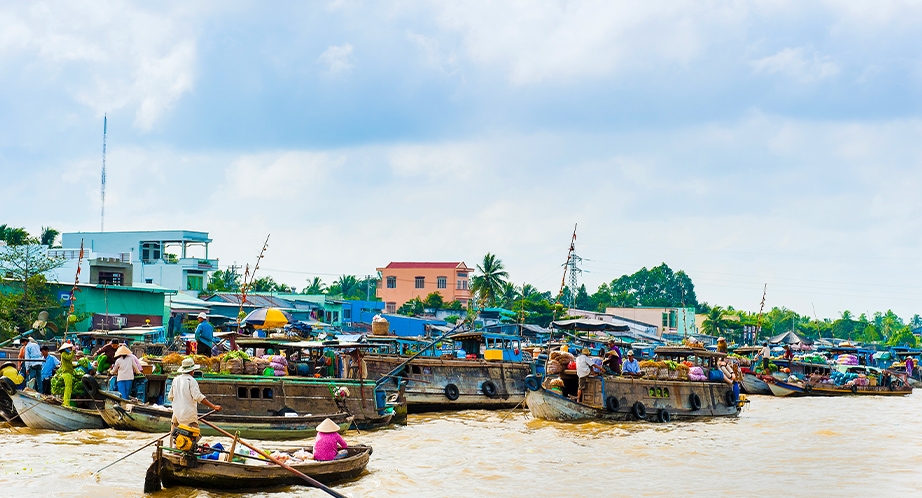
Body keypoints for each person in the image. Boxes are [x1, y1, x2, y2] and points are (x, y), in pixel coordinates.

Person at [168, 357, 221, 446]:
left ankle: (174, 452)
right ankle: (185, 455)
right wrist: (213, 406)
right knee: (194, 436)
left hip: (176, 415)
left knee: (175, 437)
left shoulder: (175, 379)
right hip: (188, 416)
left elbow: (170, 396)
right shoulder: (191, 381)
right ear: (192, 371)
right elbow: (198, 397)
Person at [57, 342, 77, 406]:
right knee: (68, 388)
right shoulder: (63, 354)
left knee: (69, 388)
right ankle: (66, 403)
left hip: (69, 373)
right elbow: (69, 358)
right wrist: (73, 351)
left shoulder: (65, 353)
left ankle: (66, 402)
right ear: (65, 348)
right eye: (69, 348)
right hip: (66, 373)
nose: (70, 349)